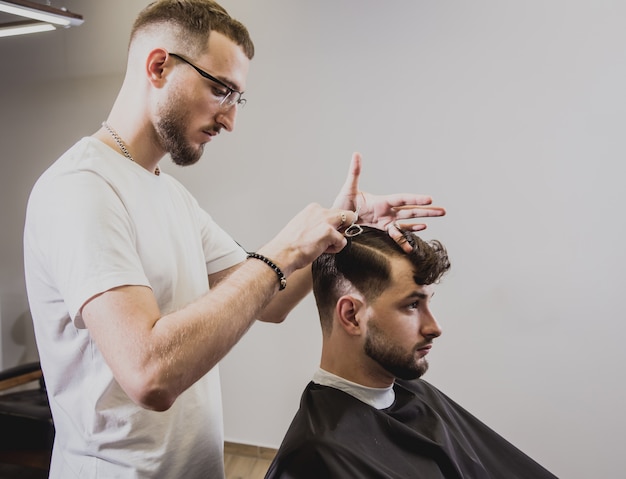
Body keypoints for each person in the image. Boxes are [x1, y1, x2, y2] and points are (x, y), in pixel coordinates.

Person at [22, 1, 446, 478]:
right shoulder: (81, 188)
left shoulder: (170, 194)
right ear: (158, 65)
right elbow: (150, 375)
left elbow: (270, 299)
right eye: (220, 90)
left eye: (236, 98)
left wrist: (334, 228)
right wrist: (284, 247)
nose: (229, 120)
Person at [265, 226, 557, 479]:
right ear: (352, 315)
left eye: (428, 303)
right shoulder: (314, 457)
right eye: (412, 305)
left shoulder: (414, 393)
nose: (435, 327)